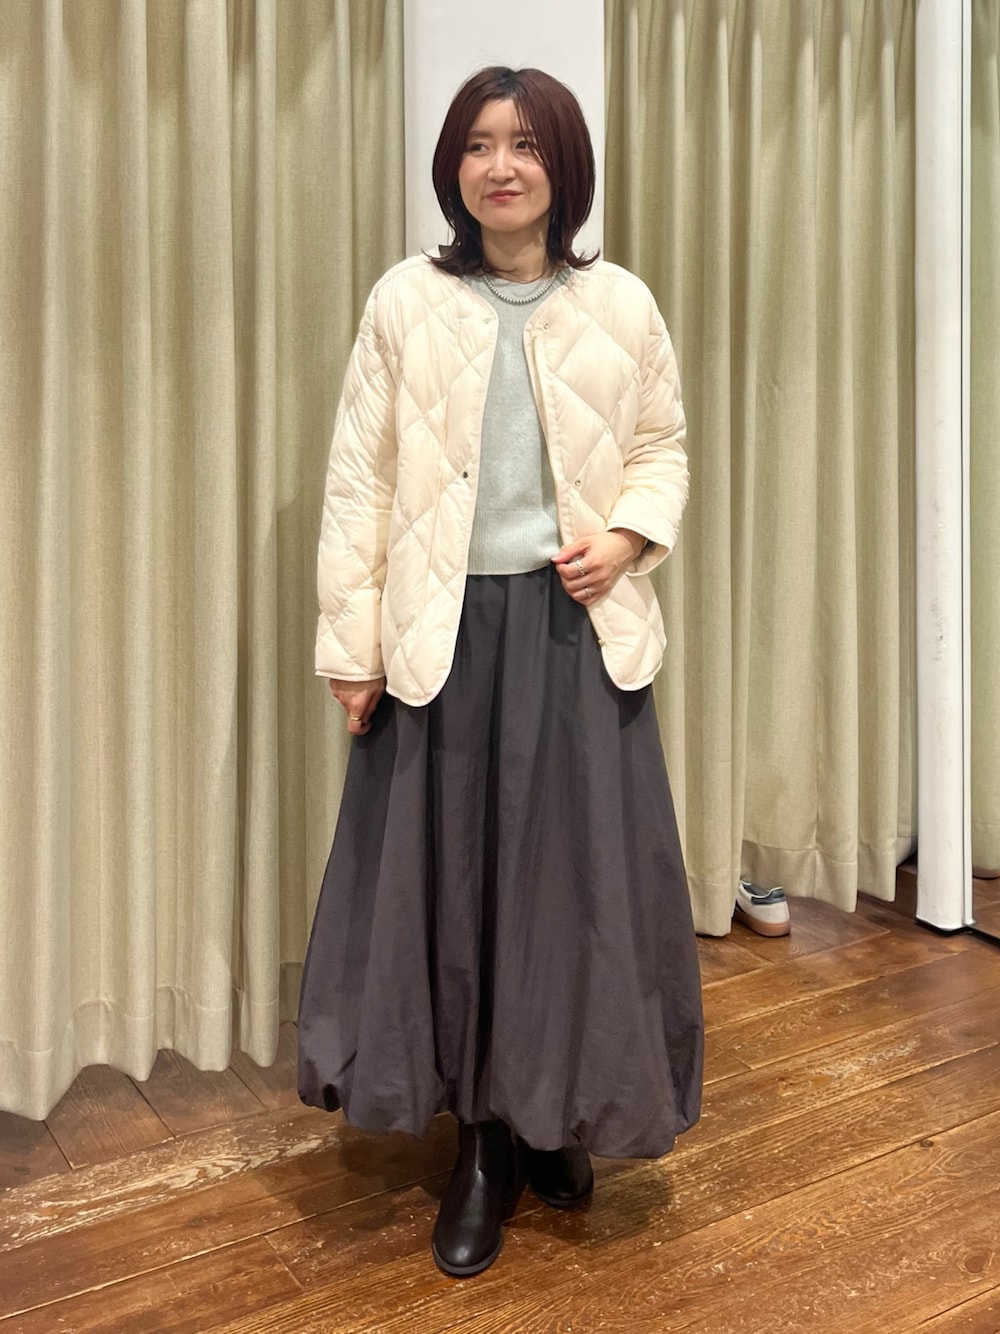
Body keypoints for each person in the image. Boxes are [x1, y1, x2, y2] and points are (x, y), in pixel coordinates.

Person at [298, 65, 704, 1280]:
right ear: (453, 168)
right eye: (478, 144)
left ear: (561, 164)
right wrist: (352, 648)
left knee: (572, 895)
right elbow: (359, 481)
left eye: (524, 143)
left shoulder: (620, 303)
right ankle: (482, 1138)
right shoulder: (406, 301)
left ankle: (550, 1112)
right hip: (442, 636)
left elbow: (661, 447)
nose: (500, 166)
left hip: (575, 635)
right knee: (459, 893)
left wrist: (627, 535)